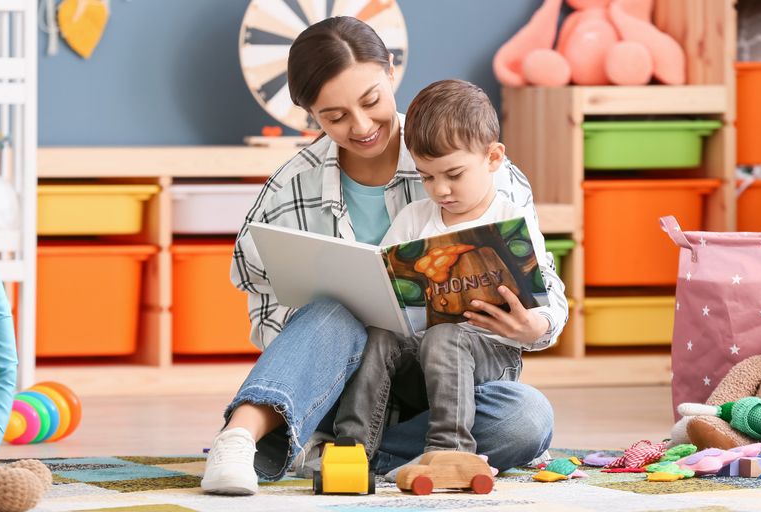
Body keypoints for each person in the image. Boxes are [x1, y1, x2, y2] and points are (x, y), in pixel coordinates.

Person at [200, 16, 566, 496]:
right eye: (334, 116)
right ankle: (239, 439)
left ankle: (335, 455)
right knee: (334, 312)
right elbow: (265, 308)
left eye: (371, 100)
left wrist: (533, 328)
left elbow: (547, 293)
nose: (362, 125)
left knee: (525, 417)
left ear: (390, 70)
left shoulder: (476, 164)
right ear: (310, 114)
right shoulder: (293, 186)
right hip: (341, 381)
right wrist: (334, 333)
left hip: (448, 393)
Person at [331, 79, 567, 472]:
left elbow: (548, 294)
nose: (440, 189)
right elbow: (382, 286)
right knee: (380, 335)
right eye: (427, 177)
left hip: (489, 362)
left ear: (493, 158)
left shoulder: (511, 221)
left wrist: (534, 325)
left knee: (454, 342)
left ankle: (450, 452)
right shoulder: (413, 220)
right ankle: (351, 452)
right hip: (418, 368)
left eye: (454, 174)